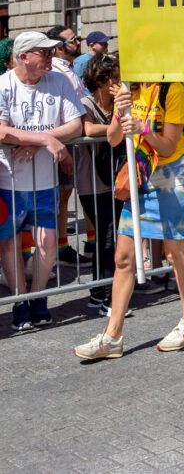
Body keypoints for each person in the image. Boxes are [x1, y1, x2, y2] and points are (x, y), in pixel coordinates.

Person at [72, 78, 184, 359]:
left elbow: (168, 147)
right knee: (123, 257)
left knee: (174, 254)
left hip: (171, 178)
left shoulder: (173, 90)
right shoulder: (129, 90)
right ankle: (112, 336)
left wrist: (143, 129)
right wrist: (119, 112)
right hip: (139, 175)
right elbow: (113, 139)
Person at [0, 31, 85, 331]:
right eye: (44, 52)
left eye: (52, 51)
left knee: (48, 242)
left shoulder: (59, 80)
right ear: (24, 57)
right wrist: (44, 139)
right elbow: (1, 132)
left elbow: (75, 125)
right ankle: (20, 301)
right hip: (8, 180)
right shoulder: (3, 84)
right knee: (10, 244)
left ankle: (39, 295)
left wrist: (38, 141)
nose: (51, 56)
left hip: (45, 181)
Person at [77, 53, 127, 315]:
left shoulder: (118, 104)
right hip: (92, 182)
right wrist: (115, 123)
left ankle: (98, 292)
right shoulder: (85, 103)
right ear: (100, 80)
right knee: (107, 236)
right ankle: (107, 296)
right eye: (114, 78)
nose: (118, 83)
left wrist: (116, 117)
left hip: (116, 178)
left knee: (112, 237)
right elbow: (87, 130)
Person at [46, 25, 90, 268]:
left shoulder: (70, 70)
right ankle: (60, 247)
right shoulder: (55, 71)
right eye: (73, 39)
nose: (78, 41)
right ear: (59, 46)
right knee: (61, 196)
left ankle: (69, 245)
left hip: (75, 141)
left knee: (68, 194)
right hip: (63, 141)